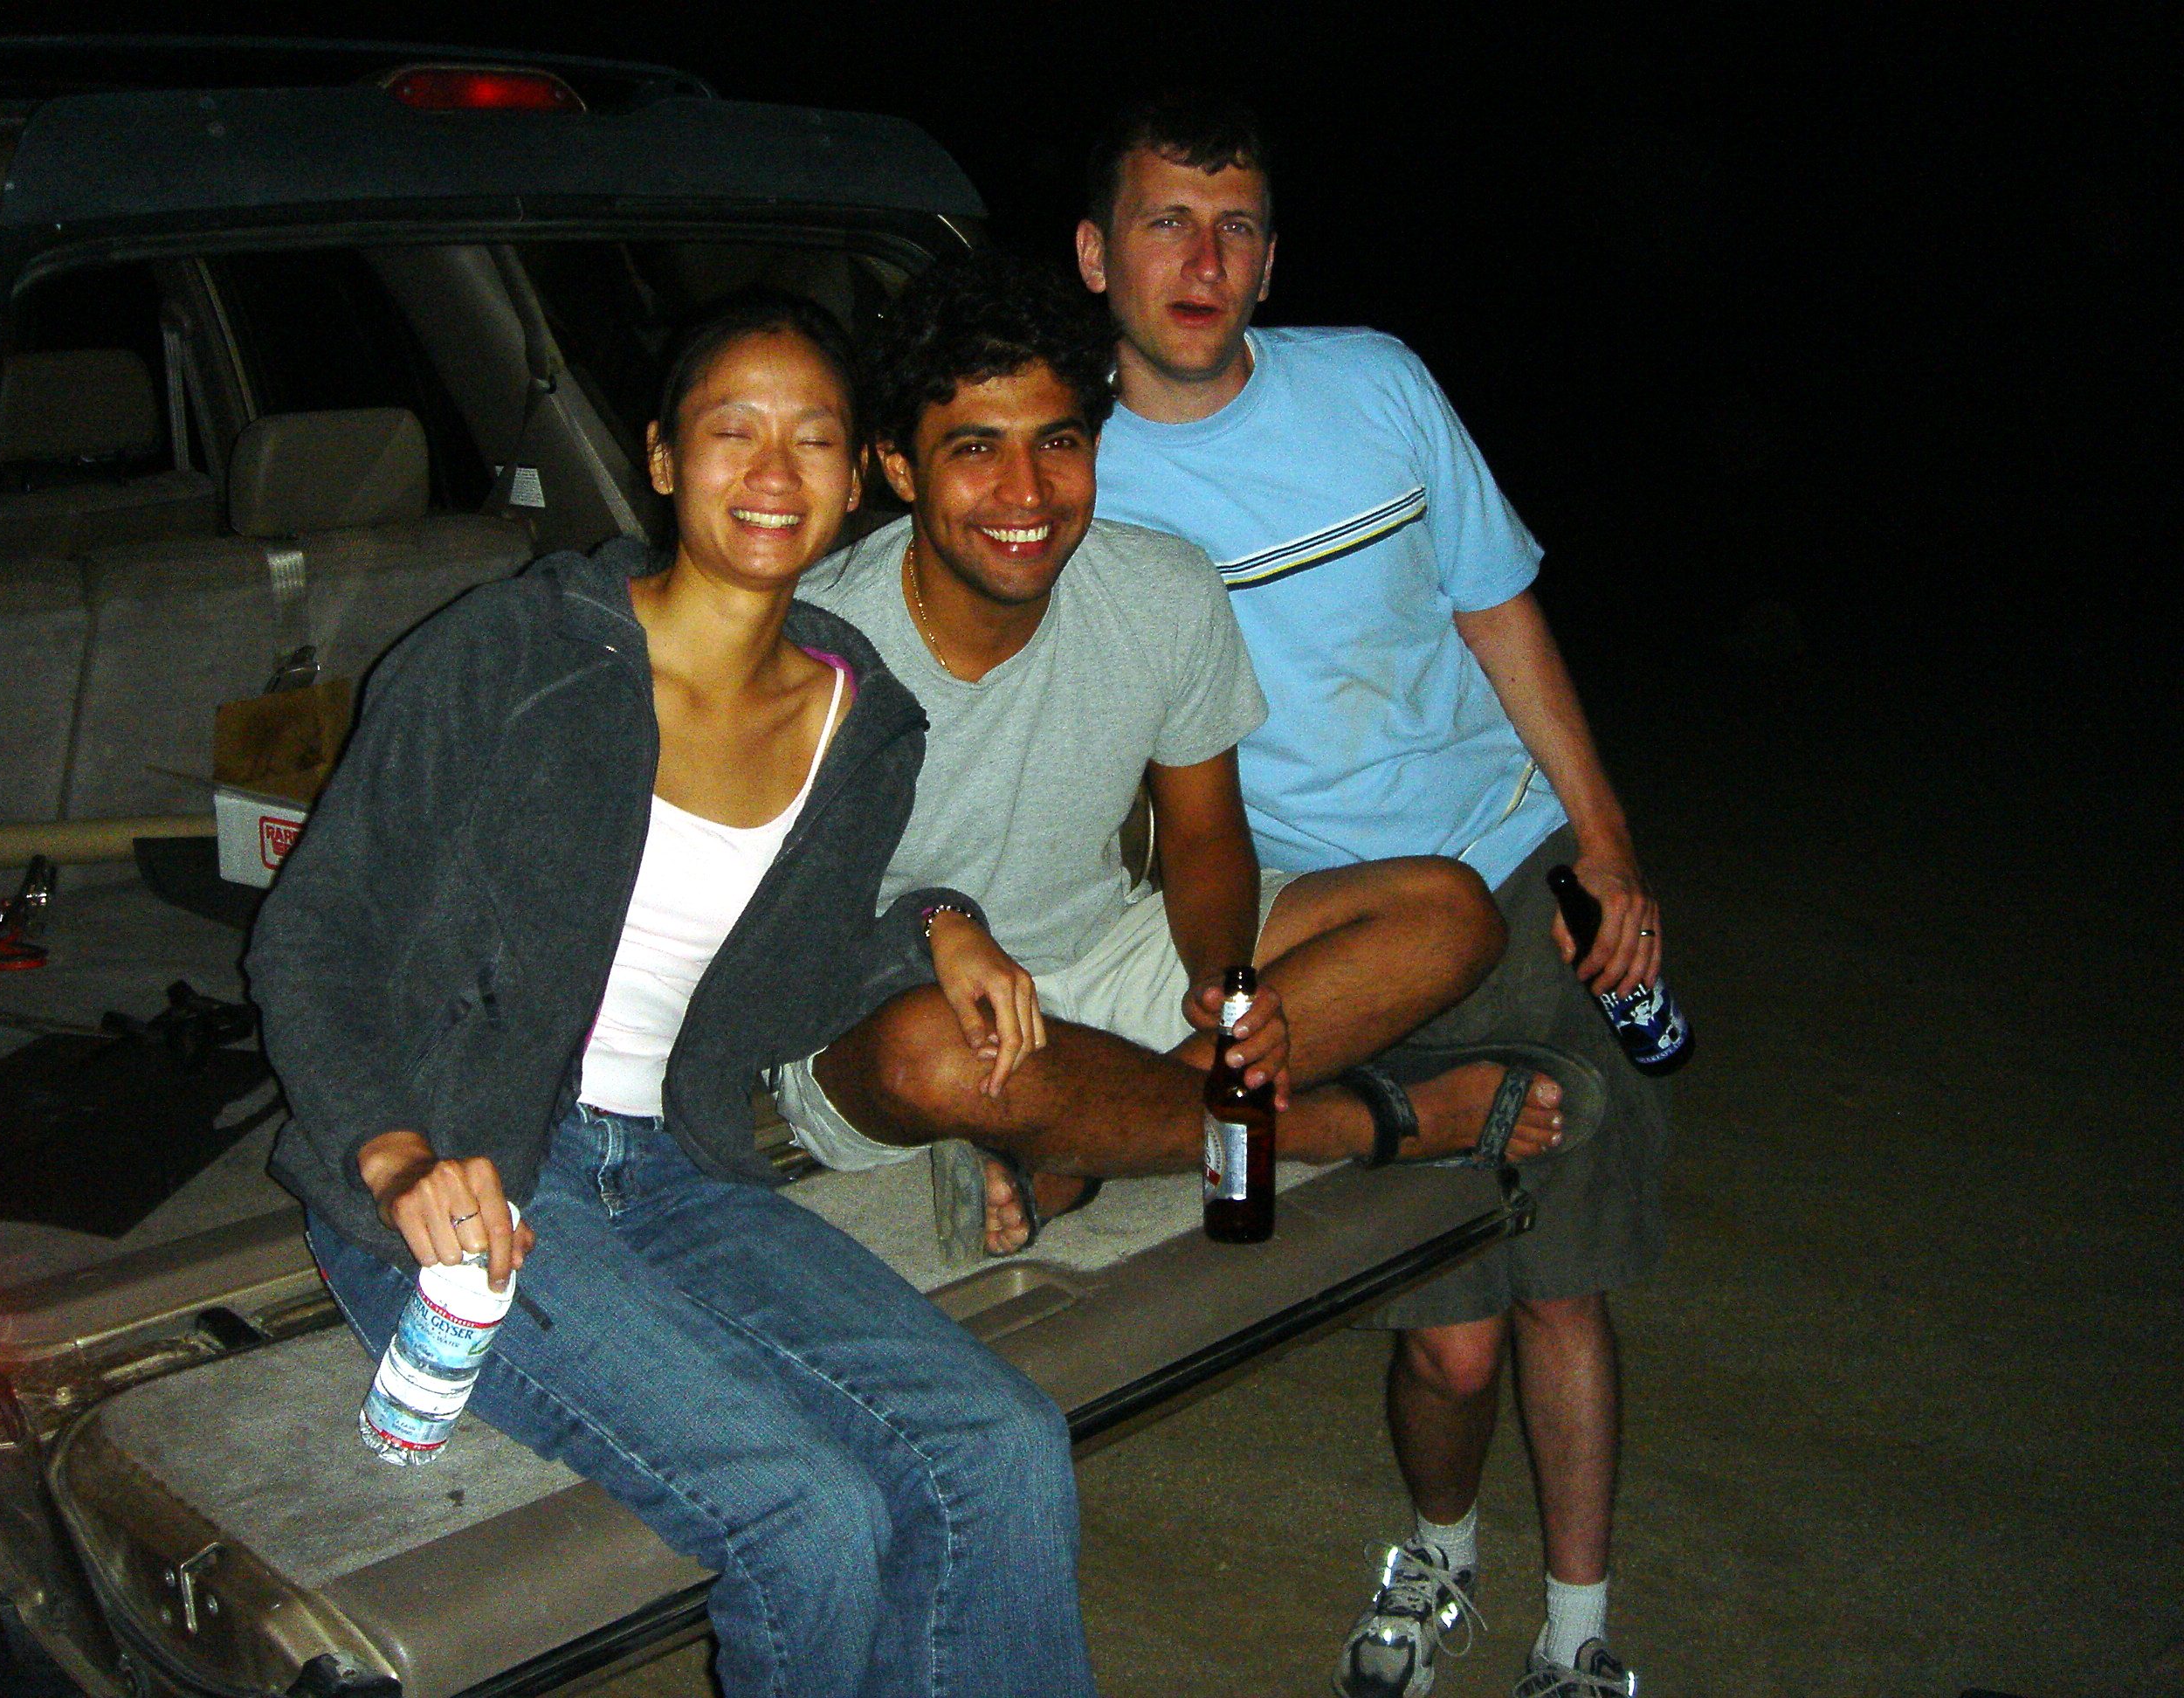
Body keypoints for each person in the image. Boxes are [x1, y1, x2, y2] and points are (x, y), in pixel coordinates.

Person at [248, 294, 1097, 1698]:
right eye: (731, 431)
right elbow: (314, 933)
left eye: (811, 438)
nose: (772, 471)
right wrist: (391, 1154)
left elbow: (787, 993)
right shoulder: (510, 653)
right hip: (464, 1179)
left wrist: (935, 927)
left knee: (1002, 1443)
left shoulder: (860, 720)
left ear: (858, 473)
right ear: (659, 457)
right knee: (809, 1518)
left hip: (676, 1171)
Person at [1079, 93, 1673, 1698]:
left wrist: (1605, 841)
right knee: (1449, 1335)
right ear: (1096, 254)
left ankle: (1579, 1633)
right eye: (1164, 222)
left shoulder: (1378, 384)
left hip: (1516, 871)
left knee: (1566, 1295)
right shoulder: (1070, 478)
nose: (1203, 261)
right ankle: (1438, 1552)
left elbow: (1501, 615)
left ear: (1271, 260)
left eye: (1236, 227)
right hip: (1344, 928)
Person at [780, 250, 1577, 1260]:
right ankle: (1359, 1123)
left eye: (1058, 442)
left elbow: (1204, 835)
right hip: (900, 998)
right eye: (976, 449)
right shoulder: (816, 647)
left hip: (1101, 953)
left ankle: (1085, 1136)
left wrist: (1225, 983)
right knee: (927, 1059)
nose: (1026, 491)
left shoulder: (1162, 589)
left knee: (1449, 912)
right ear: (899, 467)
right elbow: (786, 934)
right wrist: (939, 931)